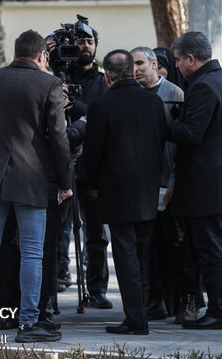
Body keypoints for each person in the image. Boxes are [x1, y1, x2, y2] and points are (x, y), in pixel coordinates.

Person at [0, 30, 72, 342]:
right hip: (32, 181)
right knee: (32, 253)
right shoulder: (49, 83)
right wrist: (65, 183)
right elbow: (58, 139)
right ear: (40, 56)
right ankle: (27, 324)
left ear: (16, 52)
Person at [83, 49, 166, 334]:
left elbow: (92, 154)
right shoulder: (154, 102)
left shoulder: (101, 105)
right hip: (147, 190)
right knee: (142, 255)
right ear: (132, 71)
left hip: (116, 192)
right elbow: (160, 146)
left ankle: (135, 318)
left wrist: (89, 183)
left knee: (126, 256)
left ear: (106, 76)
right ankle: (140, 312)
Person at [167, 31, 222, 329]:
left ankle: (221, 313)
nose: (176, 66)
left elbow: (190, 133)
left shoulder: (203, 86)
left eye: (178, 60)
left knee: (212, 250)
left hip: (205, 184)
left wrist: (160, 125)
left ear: (190, 58)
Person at [130, 46, 196, 322]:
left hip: (168, 184)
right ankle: (155, 301)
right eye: (132, 65)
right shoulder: (131, 95)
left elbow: (181, 144)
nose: (136, 70)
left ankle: (186, 303)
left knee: (180, 247)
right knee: (149, 248)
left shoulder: (175, 95)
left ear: (155, 64)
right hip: (141, 186)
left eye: (140, 64)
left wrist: (173, 179)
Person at [49, 20, 112, 309]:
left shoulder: (103, 81)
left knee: (96, 233)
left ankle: (97, 289)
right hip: (60, 164)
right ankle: (57, 276)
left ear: (95, 46)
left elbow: (105, 116)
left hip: (94, 168)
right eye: (79, 42)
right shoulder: (55, 77)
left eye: (89, 42)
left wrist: (75, 106)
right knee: (57, 228)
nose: (84, 47)